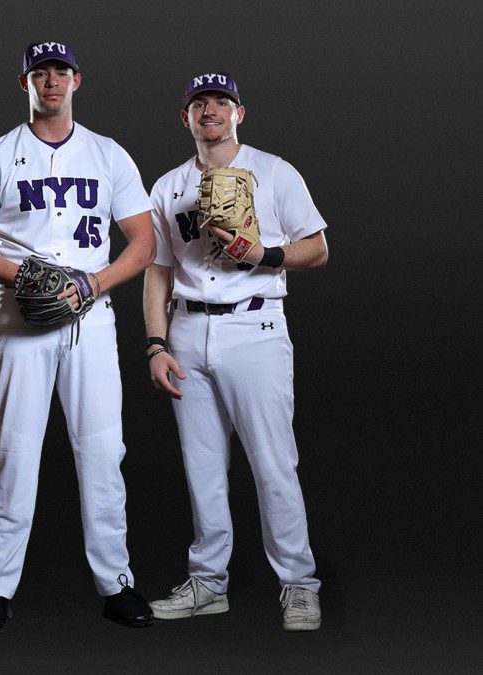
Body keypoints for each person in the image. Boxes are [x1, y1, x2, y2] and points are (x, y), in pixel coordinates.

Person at [0, 42, 157, 633]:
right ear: (25, 83)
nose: (51, 82)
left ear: (77, 81)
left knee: (102, 452)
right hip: (20, 320)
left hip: (91, 319)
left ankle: (116, 583)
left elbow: (142, 243)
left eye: (60, 73)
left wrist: (93, 283)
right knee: (16, 455)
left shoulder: (108, 153)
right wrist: (29, 278)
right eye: (40, 74)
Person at [143, 72, 328, 631]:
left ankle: (298, 584)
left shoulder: (274, 171)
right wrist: (155, 344)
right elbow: (157, 271)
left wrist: (265, 254)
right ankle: (208, 582)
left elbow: (317, 249)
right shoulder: (168, 186)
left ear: (238, 113)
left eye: (221, 102)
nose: (211, 111)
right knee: (202, 468)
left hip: (254, 328)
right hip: (187, 332)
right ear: (186, 118)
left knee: (273, 464)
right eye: (200, 104)